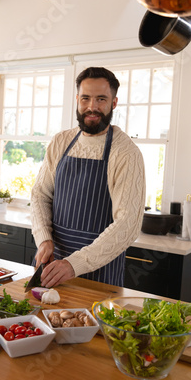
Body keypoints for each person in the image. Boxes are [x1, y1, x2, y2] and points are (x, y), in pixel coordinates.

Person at [30, 66, 145, 288]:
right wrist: (43, 238)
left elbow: (128, 224)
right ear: (77, 100)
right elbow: (39, 195)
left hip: (99, 273)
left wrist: (74, 264)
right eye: (85, 98)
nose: (92, 107)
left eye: (101, 99)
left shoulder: (125, 152)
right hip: (51, 266)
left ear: (114, 103)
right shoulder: (60, 142)